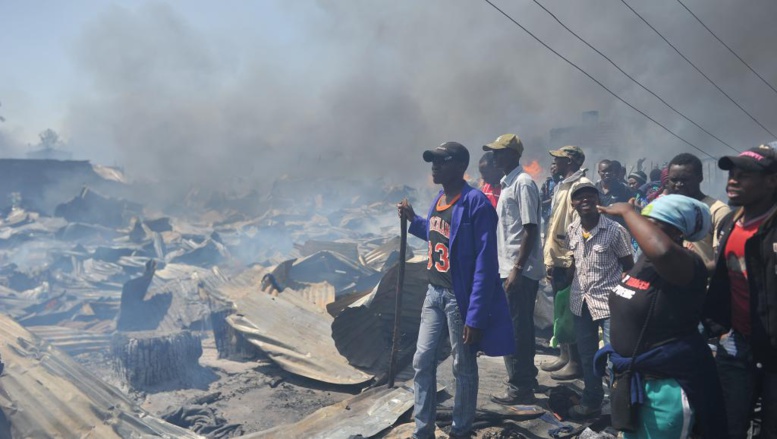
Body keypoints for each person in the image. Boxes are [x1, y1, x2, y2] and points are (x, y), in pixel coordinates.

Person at [398, 141, 515, 439]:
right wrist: (414, 220)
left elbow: (486, 264)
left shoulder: (477, 203)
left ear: (460, 167)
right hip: (433, 294)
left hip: (457, 300)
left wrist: (474, 317)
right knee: (422, 360)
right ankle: (422, 431)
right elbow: (439, 234)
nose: (435, 167)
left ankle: (460, 431)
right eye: (433, 162)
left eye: (442, 161)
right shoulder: (439, 199)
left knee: (462, 365)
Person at [597, 195, 727, 438]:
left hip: (665, 389)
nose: (641, 228)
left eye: (649, 223)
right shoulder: (645, 261)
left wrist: (627, 212)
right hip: (634, 382)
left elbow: (663, 251)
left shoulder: (686, 263)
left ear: (676, 231)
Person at [703, 144, 777, 438]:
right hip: (736, 344)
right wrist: (720, 329)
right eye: (732, 174)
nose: (733, 180)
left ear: (771, 181)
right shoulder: (733, 221)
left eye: (744, 175)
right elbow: (725, 278)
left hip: (772, 351)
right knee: (727, 425)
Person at [481, 134, 544, 405]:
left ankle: (519, 388)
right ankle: (527, 378)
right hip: (507, 268)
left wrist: (517, 268)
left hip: (518, 271)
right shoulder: (507, 184)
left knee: (515, 329)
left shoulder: (523, 183)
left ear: (513, 155)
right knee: (521, 328)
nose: (494, 157)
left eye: (499, 152)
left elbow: (530, 228)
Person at [565, 181, 634, 419]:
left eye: (590, 196)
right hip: (580, 302)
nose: (585, 200)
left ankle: (620, 411)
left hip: (608, 303)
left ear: (598, 201)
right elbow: (574, 262)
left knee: (616, 359)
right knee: (587, 357)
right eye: (579, 197)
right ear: (573, 203)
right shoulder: (573, 229)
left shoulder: (615, 230)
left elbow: (629, 267)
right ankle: (591, 402)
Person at [542, 144, 592, 380]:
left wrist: (573, 262)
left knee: (571, 313)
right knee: (560, 311)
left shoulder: (579, 186)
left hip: (568, 260)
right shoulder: (562, 185)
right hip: (557, 258)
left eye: (558, 159)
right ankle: (564, 355)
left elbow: (579, 226)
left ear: (570, 161)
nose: (554, 163)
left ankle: (575, 362)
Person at [665, 153, 731, 270]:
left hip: (703, 285)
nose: (678, 185)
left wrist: (694, 274)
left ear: (700, 178)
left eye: (685, 180)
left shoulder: (717, 210)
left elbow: (723, 259)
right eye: (674, 180)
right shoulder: (665, 209)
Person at [597, 160, 633, 228]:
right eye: (604, 171)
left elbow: (630, 210)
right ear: (599, 172)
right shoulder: (594, 189)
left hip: (618, 229)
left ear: (613, 172)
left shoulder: (624, 189)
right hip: (599, 229)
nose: (607, 173)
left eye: (609, 171)